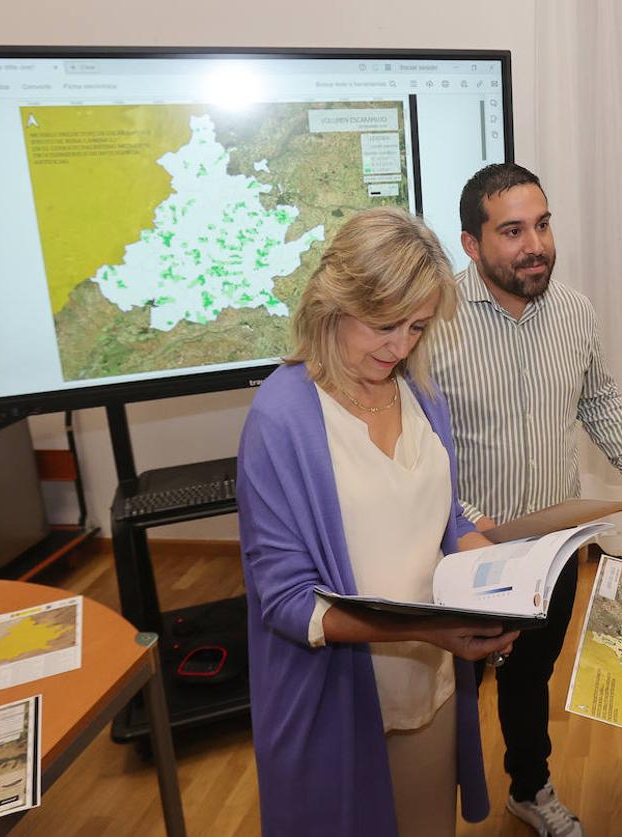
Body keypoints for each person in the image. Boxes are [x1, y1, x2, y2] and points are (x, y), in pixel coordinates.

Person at [236, 208, 518, 836]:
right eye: (385, 325)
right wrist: (433, 628)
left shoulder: (421, 395)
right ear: (332, 305)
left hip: (431, 686)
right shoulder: (280, 418)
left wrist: (504, 576)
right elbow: (285, 602)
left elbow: (439, 522)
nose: (400, 347)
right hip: (335, 700)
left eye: (416, 328)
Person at [430, 163, 622, 836]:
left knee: (529, 675)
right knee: (451, 688)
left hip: (553, 547)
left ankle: (528, 786)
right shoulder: (433, 320)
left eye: (541, 224)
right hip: (462, 551)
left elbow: (598, 400)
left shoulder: (575, 310)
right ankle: (425, 808)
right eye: (511, 230)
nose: (534, 244)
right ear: (471, 242)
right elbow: (416, 449)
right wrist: (462, 522)